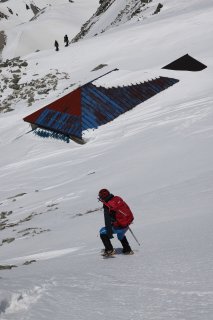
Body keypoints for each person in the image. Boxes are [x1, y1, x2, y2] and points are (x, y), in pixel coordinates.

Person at [98, 189, 134, 256]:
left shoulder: (107, 205)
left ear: (102, 197)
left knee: (102, 231)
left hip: (120, 225)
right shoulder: (117, 199)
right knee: (120, 235)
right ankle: (127, 250)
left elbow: (107, 221)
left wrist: (109, 234)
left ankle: (109, 250)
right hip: (126, 224)